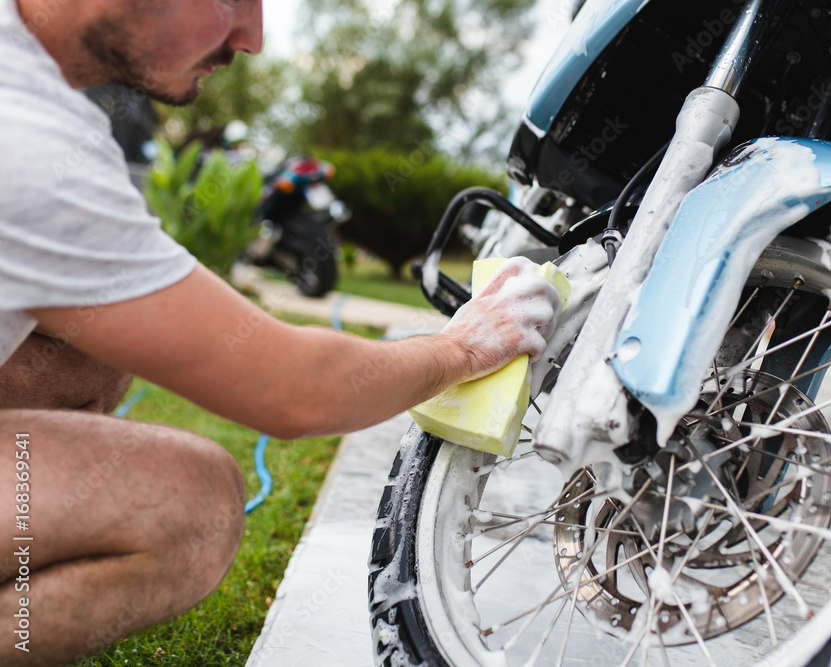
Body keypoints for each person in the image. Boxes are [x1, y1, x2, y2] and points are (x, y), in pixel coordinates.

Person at [0, 0, 562, 663]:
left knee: (82, 356)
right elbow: (295, 389)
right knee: (194, 503)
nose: (253, 38)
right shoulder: (26, 134)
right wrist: (462, 347)